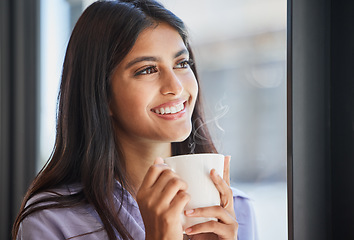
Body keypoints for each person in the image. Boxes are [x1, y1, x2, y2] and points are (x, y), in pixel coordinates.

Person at [13, 0, 258, 239]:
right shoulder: (52, 221)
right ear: (102, 94)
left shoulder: (237, 212)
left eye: (181, 63)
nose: (175, 86)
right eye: (147, 70)